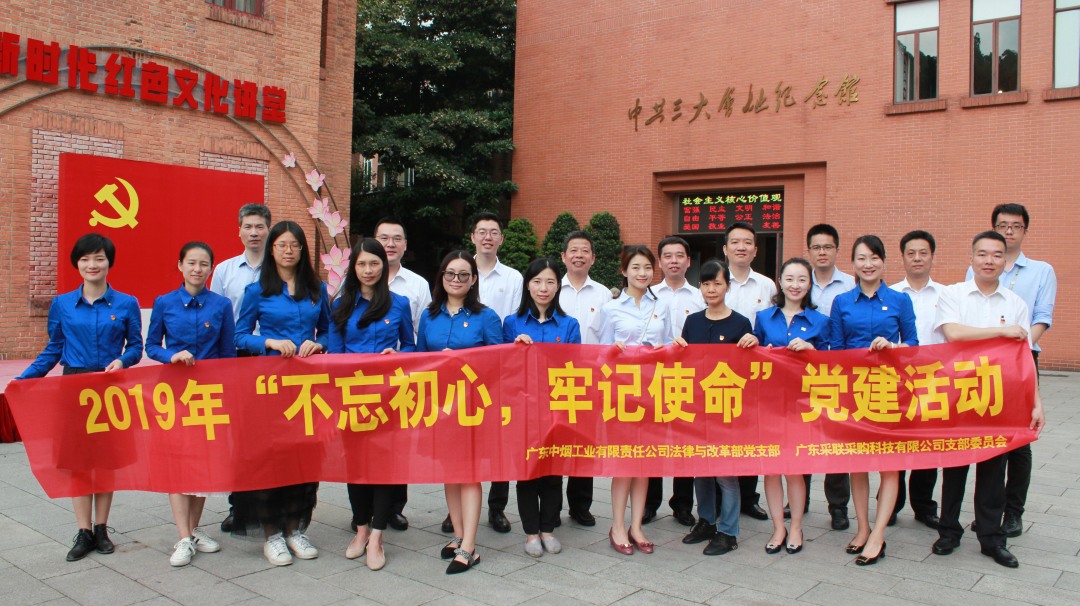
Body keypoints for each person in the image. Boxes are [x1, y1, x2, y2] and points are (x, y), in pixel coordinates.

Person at [16, 233, 143, 562]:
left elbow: (136, 346)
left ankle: (102, 529)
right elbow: (53, 350)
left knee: (106, 462)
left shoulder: (126, 303)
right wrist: (22, 381)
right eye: (85, 259)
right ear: (77, 263)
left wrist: (123, 361)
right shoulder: (62, 304)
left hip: (110, 388)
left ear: (109, 262)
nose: (92, 264)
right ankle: (83, 531)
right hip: (74, 387)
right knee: (78, 463)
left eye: (99, 258)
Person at [933, 230, 1046, 568]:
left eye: (997, 255)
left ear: (1005, 261)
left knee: (994, 471)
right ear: (971, 258)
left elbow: (1024, 357)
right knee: (954, 468)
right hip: (958, 395)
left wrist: (1036, 402)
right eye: (982, 254)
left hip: (999, 398)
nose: (989, 261)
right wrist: (1001, 331)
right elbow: (953, 333)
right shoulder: (954, 294)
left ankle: (991, 538)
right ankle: (948, 532)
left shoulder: (1015, 304)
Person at [232, 221, 330, 566]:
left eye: (295, 245)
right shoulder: (256, 290)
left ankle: (295, 528)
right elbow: (239, 336)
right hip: (268, 387)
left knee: (304, 458)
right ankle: (272, 534)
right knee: (269, 459)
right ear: (271, 249)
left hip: (306, 388)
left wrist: (319, 344)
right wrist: (269, 342)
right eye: (282, 245)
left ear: (303, 250)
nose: (288, 251)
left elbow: (330, 333)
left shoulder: (317, 289)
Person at [965, 204, 1056, 538]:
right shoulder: (976, 267)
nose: (1008, 231)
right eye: (1002, 225)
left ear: (1024, 231)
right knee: (986, 434)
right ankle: (988, 511)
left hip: (1021, 360)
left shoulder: (1042, 271)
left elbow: (1042, 316)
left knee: (1019, 440)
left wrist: (1017, 349)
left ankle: (1013, 512)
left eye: (1015, 226)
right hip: (982, 364)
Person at [829, 235, 918, 566]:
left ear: (883, 262)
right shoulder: (841, 302)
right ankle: (863, 528)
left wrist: (892, 348)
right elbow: (836, 350)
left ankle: (878, 534)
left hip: (890, 392)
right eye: (861, 259)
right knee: (857, 464)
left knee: (889, 465)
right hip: (854, 393)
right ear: (853, 264)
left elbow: (913, 344)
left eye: (874, 258)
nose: (868, 264)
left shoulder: (900, 300)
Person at [326, 238, 415, 570]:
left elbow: (411, 346)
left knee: (384, 468)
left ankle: (377, 535)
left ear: (383, 266)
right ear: (354, 267)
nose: (368, 270)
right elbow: (334, 357)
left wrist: (399, 355)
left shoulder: (399, 304)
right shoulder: (341, 306)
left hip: (389, 399)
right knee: (356, 467)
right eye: (362, 264)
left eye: (374, 263)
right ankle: (360, 528)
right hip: (353, 398)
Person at [145, 242, 235, 567]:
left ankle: (194, 530)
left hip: (208, 396)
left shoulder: (221, 305)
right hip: (174, 394)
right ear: (180, 265)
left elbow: (228, 354)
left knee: (203, 466)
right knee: (178, 464)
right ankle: (183, 537)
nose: (198, 269)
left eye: (204, 264)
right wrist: (171, 356)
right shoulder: (164, 303)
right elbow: (151, 345)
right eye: (192, 263)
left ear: (211, 269)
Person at [417, 250, 503, 574]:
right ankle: (457, 534)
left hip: (472, 407)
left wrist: (461, 362)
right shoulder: (429, 316)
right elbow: (419, 360)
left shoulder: (486, 317)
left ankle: (469, 546)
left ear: (473, 280)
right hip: (439, 406)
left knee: (468, 473)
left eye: (463, 274)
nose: (456, 279)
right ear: (441, 277)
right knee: (449, 472)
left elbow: (498, 364)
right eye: (450, 273)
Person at [594, 245, 675, 556]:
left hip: (653, 391)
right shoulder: (610, 308)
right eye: (636, 267)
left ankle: (637, 525)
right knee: (624, 462)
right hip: (622, 393)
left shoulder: (661, 306)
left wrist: (671, 350)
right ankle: (617, 526)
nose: (642, 273)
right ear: (624, 271)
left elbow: (668, 345)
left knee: (645, 461)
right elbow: (598, 355)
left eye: (647, 268)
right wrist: (611, 352)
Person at [446, 212, 522, 535]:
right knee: (457, 443)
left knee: (498, 440)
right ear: (473, 237)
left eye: (494, 232)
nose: (487, 237)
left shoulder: (513, 277)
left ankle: (496, 507)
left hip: (497, 367)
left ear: (501, 239)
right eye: (482, 231)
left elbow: (514, 320)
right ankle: (455, 512)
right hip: (458, 378)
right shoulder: (460, 269)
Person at [674, 259, 756, 556]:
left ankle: (729, 532)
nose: (711, 289)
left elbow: (748, 368)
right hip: (698, 409)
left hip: (727, 409)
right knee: (702, 470)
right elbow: (685, 364)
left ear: (727, 287)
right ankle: (707, 521)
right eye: (706, 284)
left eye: (717, 283)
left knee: (726, 473)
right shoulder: (693, 321)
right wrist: (676, 349)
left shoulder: (741, 323)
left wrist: (753, 342)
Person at [504, 258, 582, 557]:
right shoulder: (512, 323)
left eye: (550, 282)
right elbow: (503, 368)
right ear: (528, 285)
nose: (543, 288)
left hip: (555, 409)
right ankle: (530, 533)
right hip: (522, 410)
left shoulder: (569, 324)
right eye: (537, 281)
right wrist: (515, 349)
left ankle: (548, 529)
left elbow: (576, 368)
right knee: (527, 472)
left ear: (558, 286)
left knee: (552, 472)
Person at [752, 258, 830, 556]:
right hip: (769, 403)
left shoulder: (820, 321)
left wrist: (812, 350)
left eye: (802, 279)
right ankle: (778, 528)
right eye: (789, 279)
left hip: (802, 404)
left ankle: (796, 526)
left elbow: (833, 362)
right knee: (771, 469)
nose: (795, 285)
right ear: (780, 282)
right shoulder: (763, 317)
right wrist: (754, 344)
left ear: (809, 285)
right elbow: (754, 356)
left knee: (794, 470)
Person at [209, 202, 271, 533]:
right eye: (248, 226)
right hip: (237, 358)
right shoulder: (225, 270)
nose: (254, 232)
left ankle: (269, 505)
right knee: (239, 436)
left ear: (268, 230)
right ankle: (239, 506)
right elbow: (216, 316)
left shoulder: (280, 268)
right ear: (239, 231)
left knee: (271, 435)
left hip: (274, 359)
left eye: (260, 226)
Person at [373, 217, 431, 532]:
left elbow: (422, 332)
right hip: (363, 380)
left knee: (398, 444)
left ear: (405, 245)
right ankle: (364, 510)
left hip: (401, 376)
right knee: (366, 442)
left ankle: (395, 508)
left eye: (397, 238)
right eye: (384, 237)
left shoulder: (417, 285)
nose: (390, 244)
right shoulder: (358, 279)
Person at [645, 236, 705, 526]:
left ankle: (682, 504)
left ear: (688, 261)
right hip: (653, 377)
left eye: (679, 255)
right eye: (667, 256)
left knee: (684, 441)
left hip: (688, 377)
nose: (673, 261)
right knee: (653, 440)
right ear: (660, 261)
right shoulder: (648, 295)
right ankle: (649, 503)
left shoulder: (699, 296)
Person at [558, 230, 613, 527]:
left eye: (584, 251)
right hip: (556, 379)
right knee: (554, 441)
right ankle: (551, 505)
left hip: (591, 378)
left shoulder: (603, 294)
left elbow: (606, 339)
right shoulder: (552, 288)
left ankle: (580, 505)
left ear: (593, 258)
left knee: (584, 444)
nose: (578, 255)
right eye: (573, 250)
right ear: (564, 256)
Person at [722, 222, 776, 521]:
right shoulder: (716, 281)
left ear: (755, 250)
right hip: (718, 374)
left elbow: (771, 325)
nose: (741, 247)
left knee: (751, 437)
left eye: (747, 242)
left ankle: (748, 498)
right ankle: (719, 496)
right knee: (720, 435)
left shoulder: (767, 286)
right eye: (735, 242)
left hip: (754, 373)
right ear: (725, 248)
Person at [890, 230, 943, 529]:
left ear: (932, 256)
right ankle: (891, 503)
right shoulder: (892, 295)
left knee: (927, 446)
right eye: (911, 253)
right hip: (898, 381)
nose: (917, 258)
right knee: (896, 444)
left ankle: (924, 505)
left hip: (934, 378)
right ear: (903, 257)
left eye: (923, 253)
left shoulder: (946, 295)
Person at [806, 223, 855, 530]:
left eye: (827, 247)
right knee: (800, 436)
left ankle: (838, 505)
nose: (822, 252)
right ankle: (797, 499)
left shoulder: (851, 284)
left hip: (838, 372)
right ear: (809, 251)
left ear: (837, 250)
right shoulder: (798, 280)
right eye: (816, 247)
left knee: (837, 441)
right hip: (802, 374)